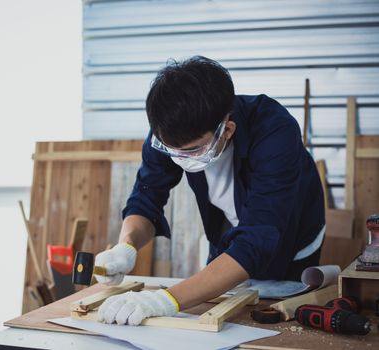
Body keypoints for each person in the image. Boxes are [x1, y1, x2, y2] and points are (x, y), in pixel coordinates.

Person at [94, 56, 325, 326]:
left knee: (276, 322)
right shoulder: (168, 132)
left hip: (289, 235)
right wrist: (126, 247)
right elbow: (146, 198)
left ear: (227, 130)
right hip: (229, 232)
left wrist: (164, 300)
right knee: (216, 309)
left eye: (191, 150)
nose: (178, 157)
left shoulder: (274, 131)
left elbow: (259, 238)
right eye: (171, 150)